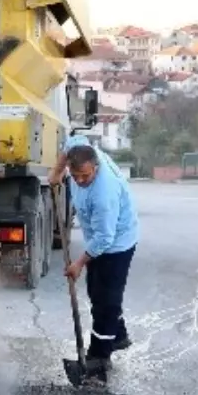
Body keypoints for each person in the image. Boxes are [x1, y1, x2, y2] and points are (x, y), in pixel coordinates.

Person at [61, 144, 139, 381]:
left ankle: (99, 359)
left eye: (86, 175)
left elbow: (105, 238)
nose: (81, 181)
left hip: (116, 244)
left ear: (96, 167)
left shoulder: (104, 193)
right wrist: (55, 173)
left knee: (105, 302)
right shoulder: (78, 152)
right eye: (75, 176)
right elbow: (71, 141)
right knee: (97, 293)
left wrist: (79, 263)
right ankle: (119, 335)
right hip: (98, 239)